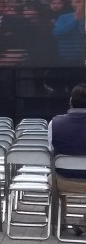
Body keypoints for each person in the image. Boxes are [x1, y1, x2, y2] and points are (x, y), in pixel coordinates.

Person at [49, 83, 86, 233]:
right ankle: (83, 223)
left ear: (71, 100)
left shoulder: (54, 123)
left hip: (62, 182)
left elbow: (50, 151)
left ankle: (58, 220)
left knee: (51, 177)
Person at [52, 0, 85, 65]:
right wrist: (75, 19)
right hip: (69, 60)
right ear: (72, 4)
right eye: (78, 2)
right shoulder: (63, 18)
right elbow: (57, 34)